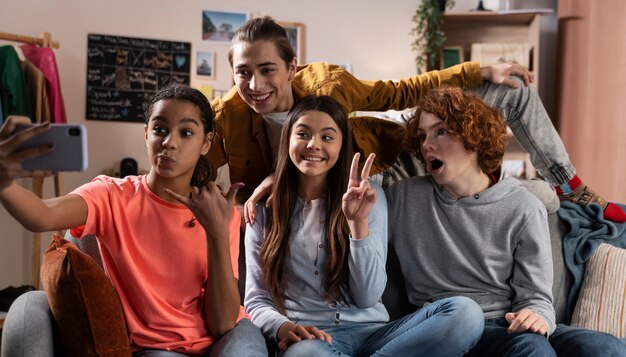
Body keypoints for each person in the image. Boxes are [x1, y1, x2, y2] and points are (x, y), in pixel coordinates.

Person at [0, 85, 294, 357]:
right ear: (146, 134)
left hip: (228, 336)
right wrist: (4, 183)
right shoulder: (111, 196)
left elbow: (224, 322)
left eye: (186, 132)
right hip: (154, 349)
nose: (169, 142)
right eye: (159, 129)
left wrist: (215, 232)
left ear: (206, 143)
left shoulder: (217, 210)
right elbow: (42, 215)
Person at [207, 15, 624, 223]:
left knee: (515, 89)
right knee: (530, 198)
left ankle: (571, 187)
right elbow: (196, 170)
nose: (255, 84)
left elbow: (396, 91)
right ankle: (536, 193)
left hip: (389, 146)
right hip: (363, 182)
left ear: (292, 67)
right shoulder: (226, 118)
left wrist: (477, 71)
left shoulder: (326, 82)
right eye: (243, 72)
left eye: (267, 70)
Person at [385, 86, 626, 357]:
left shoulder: (524, 207)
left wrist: (537, 316)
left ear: (473, 137)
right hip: (447, 331)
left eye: (441, 132)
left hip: (509, 328)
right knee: (530, 351)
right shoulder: (401, 198)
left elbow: (537, 296)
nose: (427, 145)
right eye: (423, 135)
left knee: (609, 352)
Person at [244, 94, 491, 357]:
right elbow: (256, 299)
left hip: (376, 336)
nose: (314, 144)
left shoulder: (368, 198)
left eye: (327, 137)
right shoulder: (264, 209)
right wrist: (282, 327)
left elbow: (367, 297)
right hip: (313, 340)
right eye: (303, 134)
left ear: (341, 146)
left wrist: (357, 225)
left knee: (465, 314)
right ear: (288, 141)